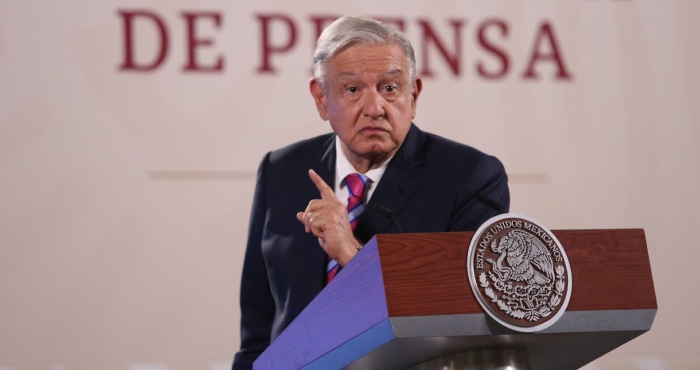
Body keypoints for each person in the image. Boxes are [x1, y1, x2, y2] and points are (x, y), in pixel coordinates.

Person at [232, 16, 509, 369]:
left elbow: (458, 314)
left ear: (414, 94)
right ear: (321, 98)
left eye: (390, 88)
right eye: (352, 90)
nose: (375, 108)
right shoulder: (282, 170)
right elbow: (259, 326)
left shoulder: (470, 178)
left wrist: (351, 253)